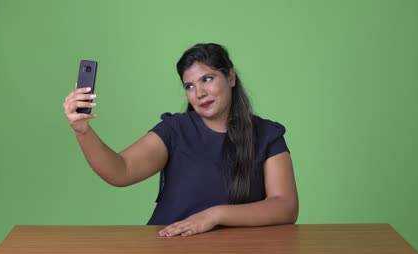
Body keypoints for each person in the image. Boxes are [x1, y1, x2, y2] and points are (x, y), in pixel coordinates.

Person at [63, 43, 298, 237]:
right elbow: (120, 171)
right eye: (189, 86)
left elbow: (285, 206)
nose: (199, 93)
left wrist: (214, 214)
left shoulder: (267, 134)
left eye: (208, 79)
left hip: (235, 253)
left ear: (231, 77)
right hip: (169, 249)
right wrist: (83, 131)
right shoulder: (175, 130)